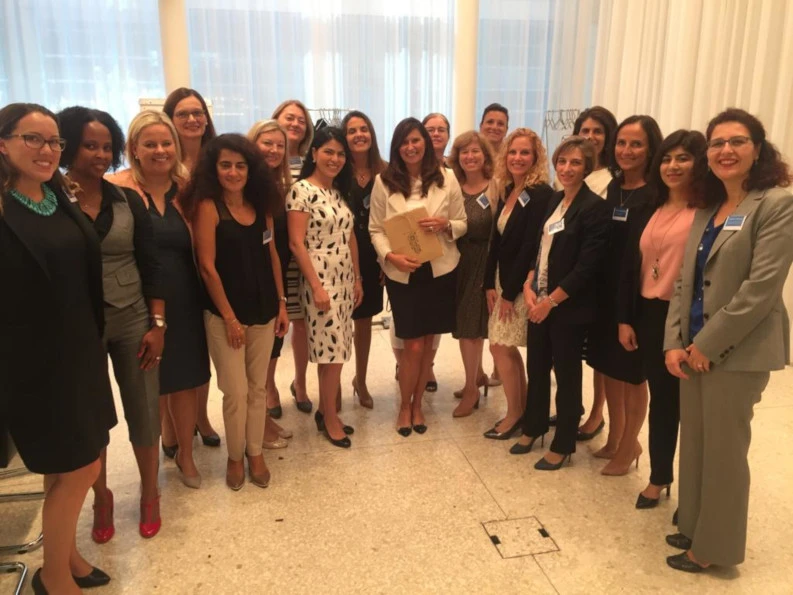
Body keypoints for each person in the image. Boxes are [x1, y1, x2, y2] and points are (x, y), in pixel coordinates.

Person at [663, 109, 793, 573]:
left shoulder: (777, 203)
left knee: (724, 451)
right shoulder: (707, 207)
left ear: (758, 149)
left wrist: (707, 344)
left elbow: (760, 290)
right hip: (693, 348)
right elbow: (684, 281)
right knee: (696, 441)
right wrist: (675, 341)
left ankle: (715, 550)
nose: (725, 150)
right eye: (716, 143)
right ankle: (694, 523)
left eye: (737, 141)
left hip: (737, 352)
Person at [0, 102, 116, 592]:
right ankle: (52, 578)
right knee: (81, 465)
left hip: (79, 348)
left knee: (67, 465)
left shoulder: (56, 195)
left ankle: (65, 555)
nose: (47, 150)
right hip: (31, 359)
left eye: (53, 142)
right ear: (3, 144)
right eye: (33, 139)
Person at [58, 107, 173, 548]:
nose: (101, 155)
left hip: (132, 317)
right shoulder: (52, 202)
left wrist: (157, 322)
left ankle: (149, 492)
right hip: (78, 324)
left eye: (107, 146)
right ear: (68, 147)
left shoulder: (127, 200)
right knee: (92, 418)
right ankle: (100, 498)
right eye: (90, 146)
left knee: (143, 409)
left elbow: (151, 263)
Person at [107, 111, 211, 508]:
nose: (159, 150)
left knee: (184, 380)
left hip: (184, 297)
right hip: (137, 301)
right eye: (149, 143)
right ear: (134, 148)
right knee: (149, 383)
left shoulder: (187, 188)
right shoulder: (116, 189)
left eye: (166, 143)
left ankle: (185, 451)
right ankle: (152, 461)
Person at [191, 134, 289, 488]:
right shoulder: (208, 207)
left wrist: (281, 304)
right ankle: (235, 457)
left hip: (264, 310)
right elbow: (206, 267)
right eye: (225, 165)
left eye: (240, 165)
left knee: (257, 388)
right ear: (214, 168)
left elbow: (273, 255)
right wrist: (230, 318)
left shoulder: (262, 204)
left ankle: (255, 451)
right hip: (223, 317)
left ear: (252, 170)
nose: (233, 172)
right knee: (234, 391)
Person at [616, 130, 705, 510]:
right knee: (663, 402)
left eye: (683, 158)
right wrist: (626, 318)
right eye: (667, 159)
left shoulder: (707, 211)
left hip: (688, 318)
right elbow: (631, 265)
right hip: (650, 313)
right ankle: (659, 476)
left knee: (694, 407)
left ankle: (696, 494)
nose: (673, 166)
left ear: (698, 163)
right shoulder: (652, 206)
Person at [512, 136, 610, 469]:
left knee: (566, 375)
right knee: (536, 367)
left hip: (568, 307)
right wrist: (528, 284)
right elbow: (541, 249)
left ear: (587, 167)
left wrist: (550, 302)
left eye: (576, 163)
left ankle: (564, 441)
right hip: (538, 298)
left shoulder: (595, 208)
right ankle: (534, 425)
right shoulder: (555, 200)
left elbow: (587, 266)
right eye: (562, 161)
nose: (567, 169)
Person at [370, 118, 467, 436]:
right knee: (411, 345)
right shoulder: (383, 181)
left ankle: (419, 406)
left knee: (427, 344)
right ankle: (404, 406)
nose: (411, 147)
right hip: (403, 271)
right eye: (404, 142)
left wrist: (445, 225)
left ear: (425, 142)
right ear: (397, 147)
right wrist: (389, 256)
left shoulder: (447, 178)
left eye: (416, 140)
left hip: (439, 269)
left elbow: (462, 221)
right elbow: (375, 228)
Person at [586, 115, 663, 475]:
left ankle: (631, 443)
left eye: (636, 144)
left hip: (635, 296)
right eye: (622, 143)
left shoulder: (656, 193)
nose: (626, 150)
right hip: (604, 291)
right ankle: (616, 437)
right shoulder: (613, 188)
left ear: (651, 149)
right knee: (609, 369)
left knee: (633, 375)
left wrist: (627, 312)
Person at [287, 126, 362, 447]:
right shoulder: (301, 190)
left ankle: (325, 410)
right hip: (320, 278)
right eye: (328, 151)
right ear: (314, 153)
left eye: (341, 153)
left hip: (344, 278)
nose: (335, 159)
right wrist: (316, 287)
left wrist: (357, 277)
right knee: (330, 354)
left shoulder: (337, 192)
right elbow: (295, 243)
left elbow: (349, 236)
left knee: (337, 348)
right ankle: (330, 417)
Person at [482, 128, 553, 439]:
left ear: (536, 157)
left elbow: (529, 246)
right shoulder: (511, 189)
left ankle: (514, 414)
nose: (518, 158)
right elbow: (496, 240)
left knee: (501, 347)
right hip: (502, 279)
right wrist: (489, 283)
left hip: (520, 284)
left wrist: (509, 293)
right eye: (512, 152)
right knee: (503, 348)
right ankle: (520, 411)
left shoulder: (540, 194)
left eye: (525, 152)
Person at [162, 87, 220, 448]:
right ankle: (170, 427)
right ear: (170, 119)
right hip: (176, 265)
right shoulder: (162, 159)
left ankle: (201, 416)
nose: (193, 119)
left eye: (198, 112)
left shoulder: (217, 159)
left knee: (204, 347)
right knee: (173, 350)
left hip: (213, 263)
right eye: (183, 113)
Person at [564, 106, 619, 441]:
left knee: (599, 353)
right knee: (572, 351)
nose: (590, 137)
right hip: (569, 276)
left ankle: (598, 412)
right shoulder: (573, 173)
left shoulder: (611, 180)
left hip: (598, 274)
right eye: (584, 131)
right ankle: (577, 407)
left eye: (597, 131)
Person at [247, 119, 296, 449]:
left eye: (280, 145)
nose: (274, 150)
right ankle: (258, 428)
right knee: (256, 360)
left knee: (271, 350)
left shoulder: (277, 185)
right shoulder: (246, 185)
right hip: (254, 280)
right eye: (267, 143)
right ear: (254, 144)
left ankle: (264, 420)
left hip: (276, 280)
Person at [447, 131, 497, 417]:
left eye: (476, 151)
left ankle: (470, 390)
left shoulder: (496, 187)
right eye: (464, 152)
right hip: (457, 261)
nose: (470, 156)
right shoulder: (454, 186)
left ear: (485, 155)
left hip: (484, 261)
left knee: (471, 329)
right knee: (466, 325)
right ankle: (476, 375)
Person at [342, 110, 388, 408]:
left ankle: (360, 378)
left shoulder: (385, 171)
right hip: (338, 254)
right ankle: (331, 383)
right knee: (337, 322)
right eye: (351, 130)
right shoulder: (335, 169)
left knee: (363, 321)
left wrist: (387, 260)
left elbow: (393, 218)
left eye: (364, 129)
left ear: (371, 134)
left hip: (374, 254)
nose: (359, 134)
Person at [272, 99, 316, 413]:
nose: (296, 124)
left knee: (302, 324)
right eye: (290, 118)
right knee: (274, 323)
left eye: (302, 120)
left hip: (304, 254)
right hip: (271, 252)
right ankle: (269, 387)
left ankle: (300, 382)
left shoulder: (310, 163)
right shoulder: (262, 161)